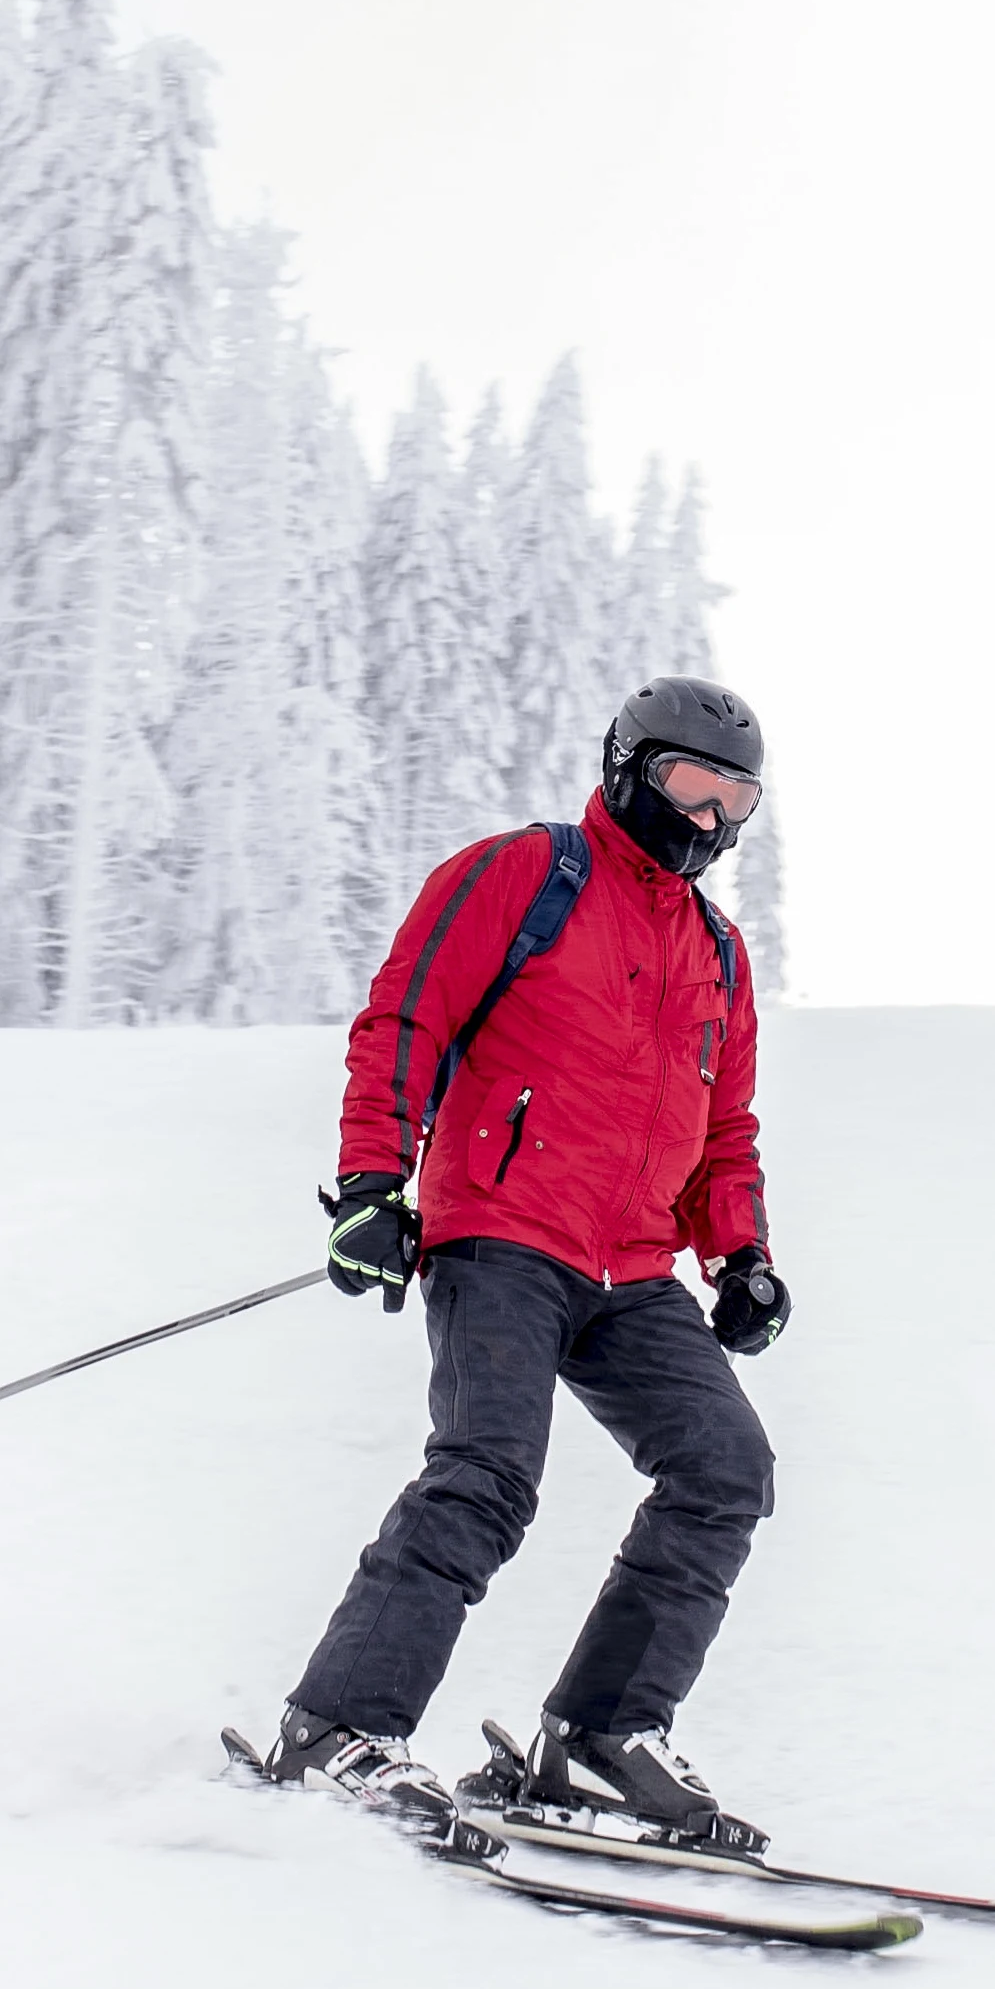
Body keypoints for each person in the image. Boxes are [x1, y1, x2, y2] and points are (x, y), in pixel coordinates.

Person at [255, 678, 794, 1854]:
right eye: (688, 783)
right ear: (626, 770)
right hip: (503, 1234)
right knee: (486, 1476)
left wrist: (741, 1253)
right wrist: (367, 1187)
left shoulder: (718, 953)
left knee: (724, 1468)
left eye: (734, 794)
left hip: (635, 1270)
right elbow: (406, 1021)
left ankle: (595, 1739)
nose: (708, 817)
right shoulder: (524, 876)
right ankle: (335, 1727)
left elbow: (726, 1129)